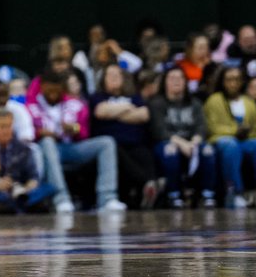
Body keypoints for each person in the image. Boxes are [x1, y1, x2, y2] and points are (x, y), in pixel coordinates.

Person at [26, 67, 126, 213]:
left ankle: (107, 199)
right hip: (46, 150)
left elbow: (84, 134)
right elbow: (25, 132)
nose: (53, 94)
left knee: (107, 142)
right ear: (42, 87)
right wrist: (40, 132)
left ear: (62, 88)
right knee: (47, 142)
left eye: (57, 89)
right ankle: (61, 199)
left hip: (72, 147)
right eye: (50, 90)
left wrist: (73, 129)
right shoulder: (31, 105)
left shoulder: (76, 104)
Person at [88, 64, 157, 208]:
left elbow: (144, 115)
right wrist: (127, 108)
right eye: (110, 75)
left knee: (145, 154)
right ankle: (147, 183)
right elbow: (100, 112)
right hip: (112, 145)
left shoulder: (133, 96)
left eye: (118, 75)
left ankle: (149, 193)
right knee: (114, 149)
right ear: (103, 79)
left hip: (135, 143)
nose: (114, 78)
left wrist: (113, 114)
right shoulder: (97, 97)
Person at [148, 65, 214, 208]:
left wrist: (194, 142)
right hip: (168, 142)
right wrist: (181, 143)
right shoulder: (157, 103)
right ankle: (174, 195)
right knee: (170, 150)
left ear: (186, 82)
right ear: (165, 82)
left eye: (180, 78)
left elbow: (201, 127)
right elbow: (159, 131)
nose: (176, 81)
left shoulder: (195, 103)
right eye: (172, 78)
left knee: (208, 150)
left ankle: (207, 194)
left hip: (191, 143)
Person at [0, 109, 56, 213]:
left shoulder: (22, 148)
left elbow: (33, 175)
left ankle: (11, 206)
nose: (6, 130)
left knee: (50, 188)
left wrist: (29, 184)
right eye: (2, 127)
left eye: (9, 126)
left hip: (18, 190)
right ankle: (16, 206)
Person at [203, 65, 256, 208]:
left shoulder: (249, 103)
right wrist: (235, 131)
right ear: (222, 81)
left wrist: (245, 133)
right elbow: (212, 128)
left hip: (245, 140)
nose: (233, 83)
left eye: (237, 79)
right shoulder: (214, 100)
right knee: (231, 145)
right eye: (229, 79)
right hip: (220, 140)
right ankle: (235, 192)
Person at [176, 33, 216, 97]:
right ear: (189, 49)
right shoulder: (180, 66)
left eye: (206, 47)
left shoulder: (213, 66)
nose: (204, 51)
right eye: (200, 48)